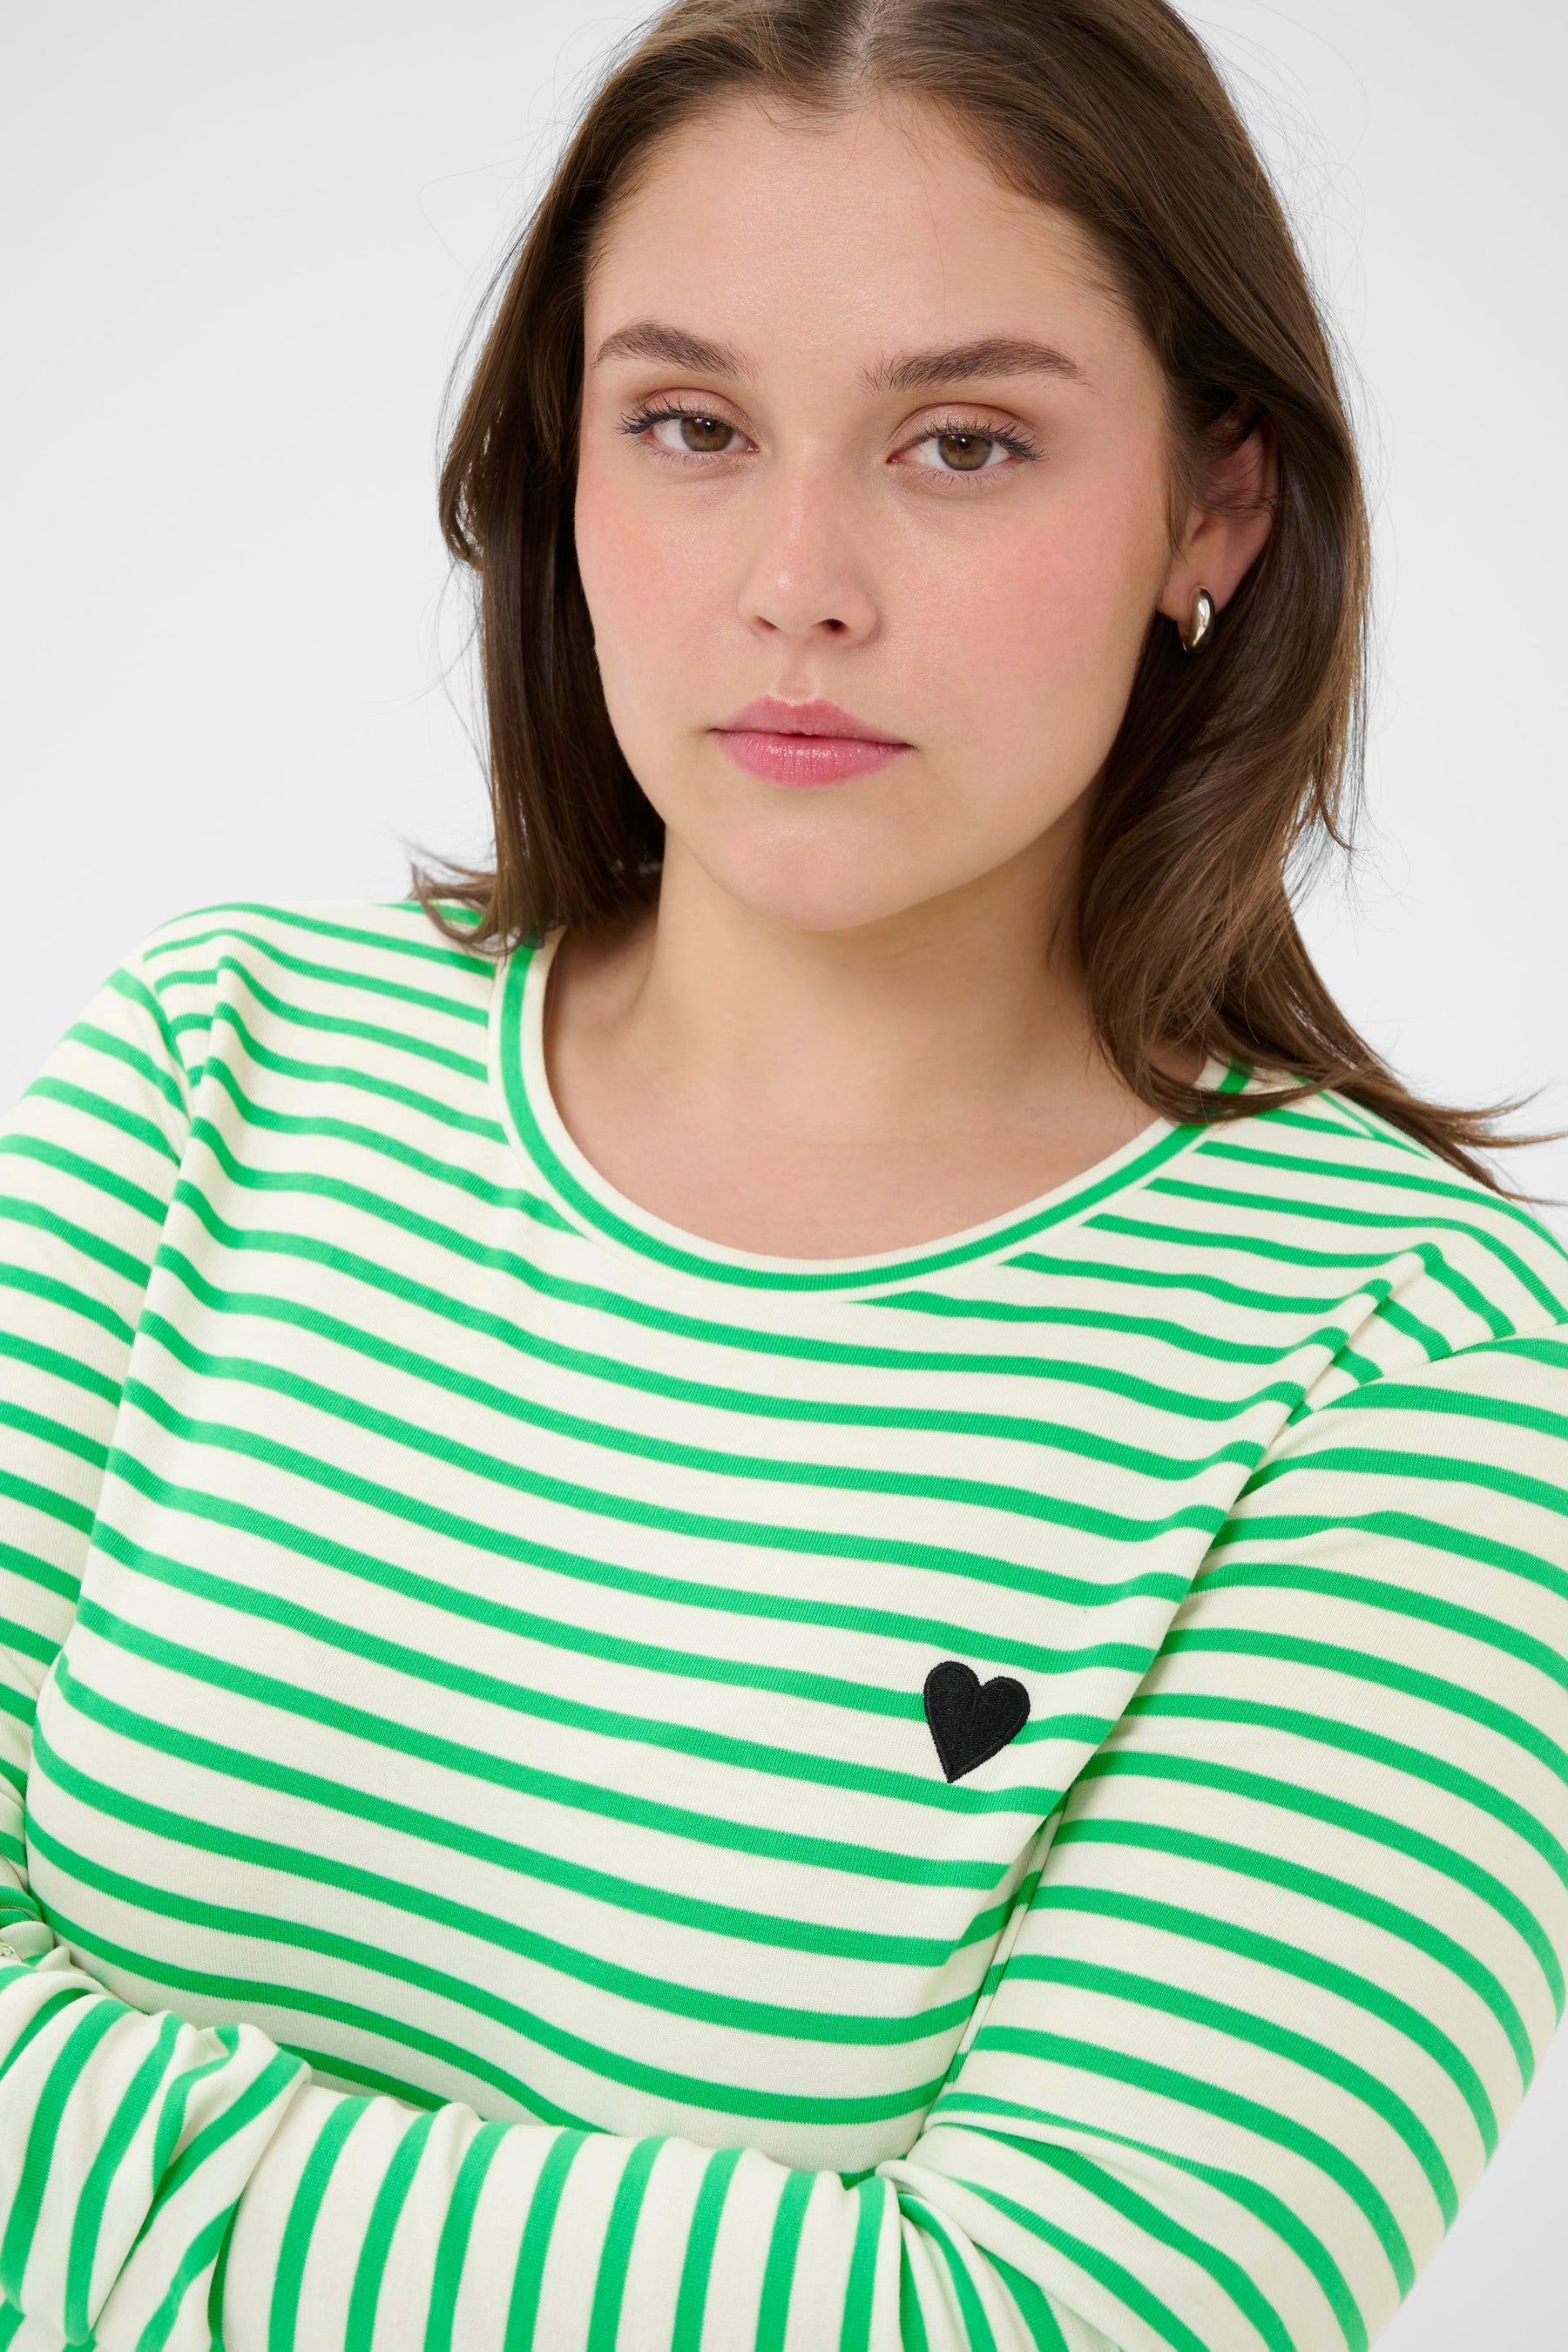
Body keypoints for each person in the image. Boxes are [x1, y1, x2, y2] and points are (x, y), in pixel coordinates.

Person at [2, 0, 1565, 2343]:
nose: (799, 580)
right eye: (696, 426)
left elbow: (1063, 2321)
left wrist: (93, 2192)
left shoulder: (1411, 1367)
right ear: (569, 466)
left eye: (961, 442)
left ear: (1213, 505)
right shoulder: (221, 1067)